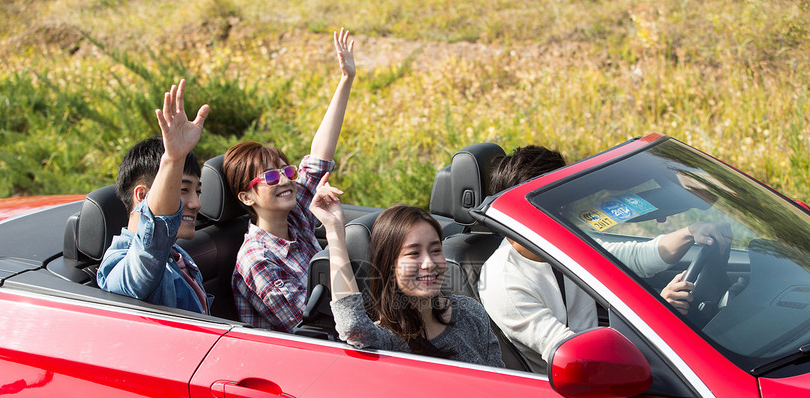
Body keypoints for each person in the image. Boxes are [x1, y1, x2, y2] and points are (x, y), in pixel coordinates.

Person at [479, 145, 730, 373]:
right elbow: (575, 355)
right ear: (527, 211)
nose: (567, 210)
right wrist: (658, 314)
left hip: (616, 359)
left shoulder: (558, 242)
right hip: (583, 384)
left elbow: (634, 257)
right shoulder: (505, 283)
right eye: (557, 203)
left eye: (566, 200)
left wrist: (690, 233)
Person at [223, 28, 356, 332]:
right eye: (271, 176)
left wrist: (346, 80)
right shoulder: (258, 260)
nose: (285, 179)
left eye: (287, 171)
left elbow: (320, 155)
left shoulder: (295, 218)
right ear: (246, 196)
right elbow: (314, 326)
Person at [310, 183, 505, 368]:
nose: (429, 263)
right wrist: (334, 230)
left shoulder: (470, 312)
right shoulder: (387, 340)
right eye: (413, 253)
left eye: (436, 250)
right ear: (390, 265)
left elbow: (502, 384)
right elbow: (351, 324)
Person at [97, 79, 212, 313]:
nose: (196, 203)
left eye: (198, 191)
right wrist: (173, 160)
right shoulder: (118, 266)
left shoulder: (178, 255)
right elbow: (153, 243)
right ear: (142, 195)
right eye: (183, 190)